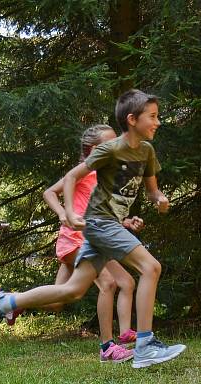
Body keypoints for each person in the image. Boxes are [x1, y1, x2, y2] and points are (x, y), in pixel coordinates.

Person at [0, 89, 186, 369]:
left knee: (72, 291)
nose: (158, 122)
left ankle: (3, 301)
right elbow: (71, 177)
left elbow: (152, 190)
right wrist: (70, 213)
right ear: (133, 119)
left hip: (105, 224)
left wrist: (159, 199)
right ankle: (145, 344)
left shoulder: (147, 151)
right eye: (153, 117)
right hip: (99, 223)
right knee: (151, 267)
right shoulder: (109, 150)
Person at [41, 124, 140, 362]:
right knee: (108, 283)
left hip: (93, 241)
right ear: (95, 149)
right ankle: (107, 347)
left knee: (56, 303)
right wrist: (63, 214)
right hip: (74, 240)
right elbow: (49, 193)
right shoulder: (84, 171)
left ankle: (10, 302)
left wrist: (126, 222)